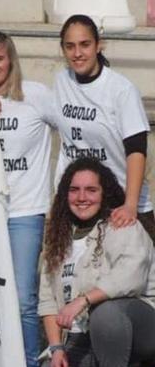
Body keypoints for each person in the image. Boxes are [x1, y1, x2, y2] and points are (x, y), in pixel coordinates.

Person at [36, 158, 155, 367]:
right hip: (90, 336)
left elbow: (131, 278)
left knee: (106, 310)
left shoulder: (121, 224)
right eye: (74, 189)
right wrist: (56, 348)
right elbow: (47, 301)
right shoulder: (59, 239)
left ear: (105, 193)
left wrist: (83, 300)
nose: (81, 197)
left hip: (141, 326)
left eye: (91, 190)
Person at [0, 31, 56, 367]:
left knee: (22, 297)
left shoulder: (36, 95)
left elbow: (72, 132)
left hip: (24, 211)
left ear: (11, 61)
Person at [53, 15, 151, 238]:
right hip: (79, 203)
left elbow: (137, 150)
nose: (77, 53)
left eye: (85, 44)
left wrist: (130, 205)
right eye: (70, 46)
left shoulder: (121, 90)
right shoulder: (61, 81)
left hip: (120, 203)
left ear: (99, 45)